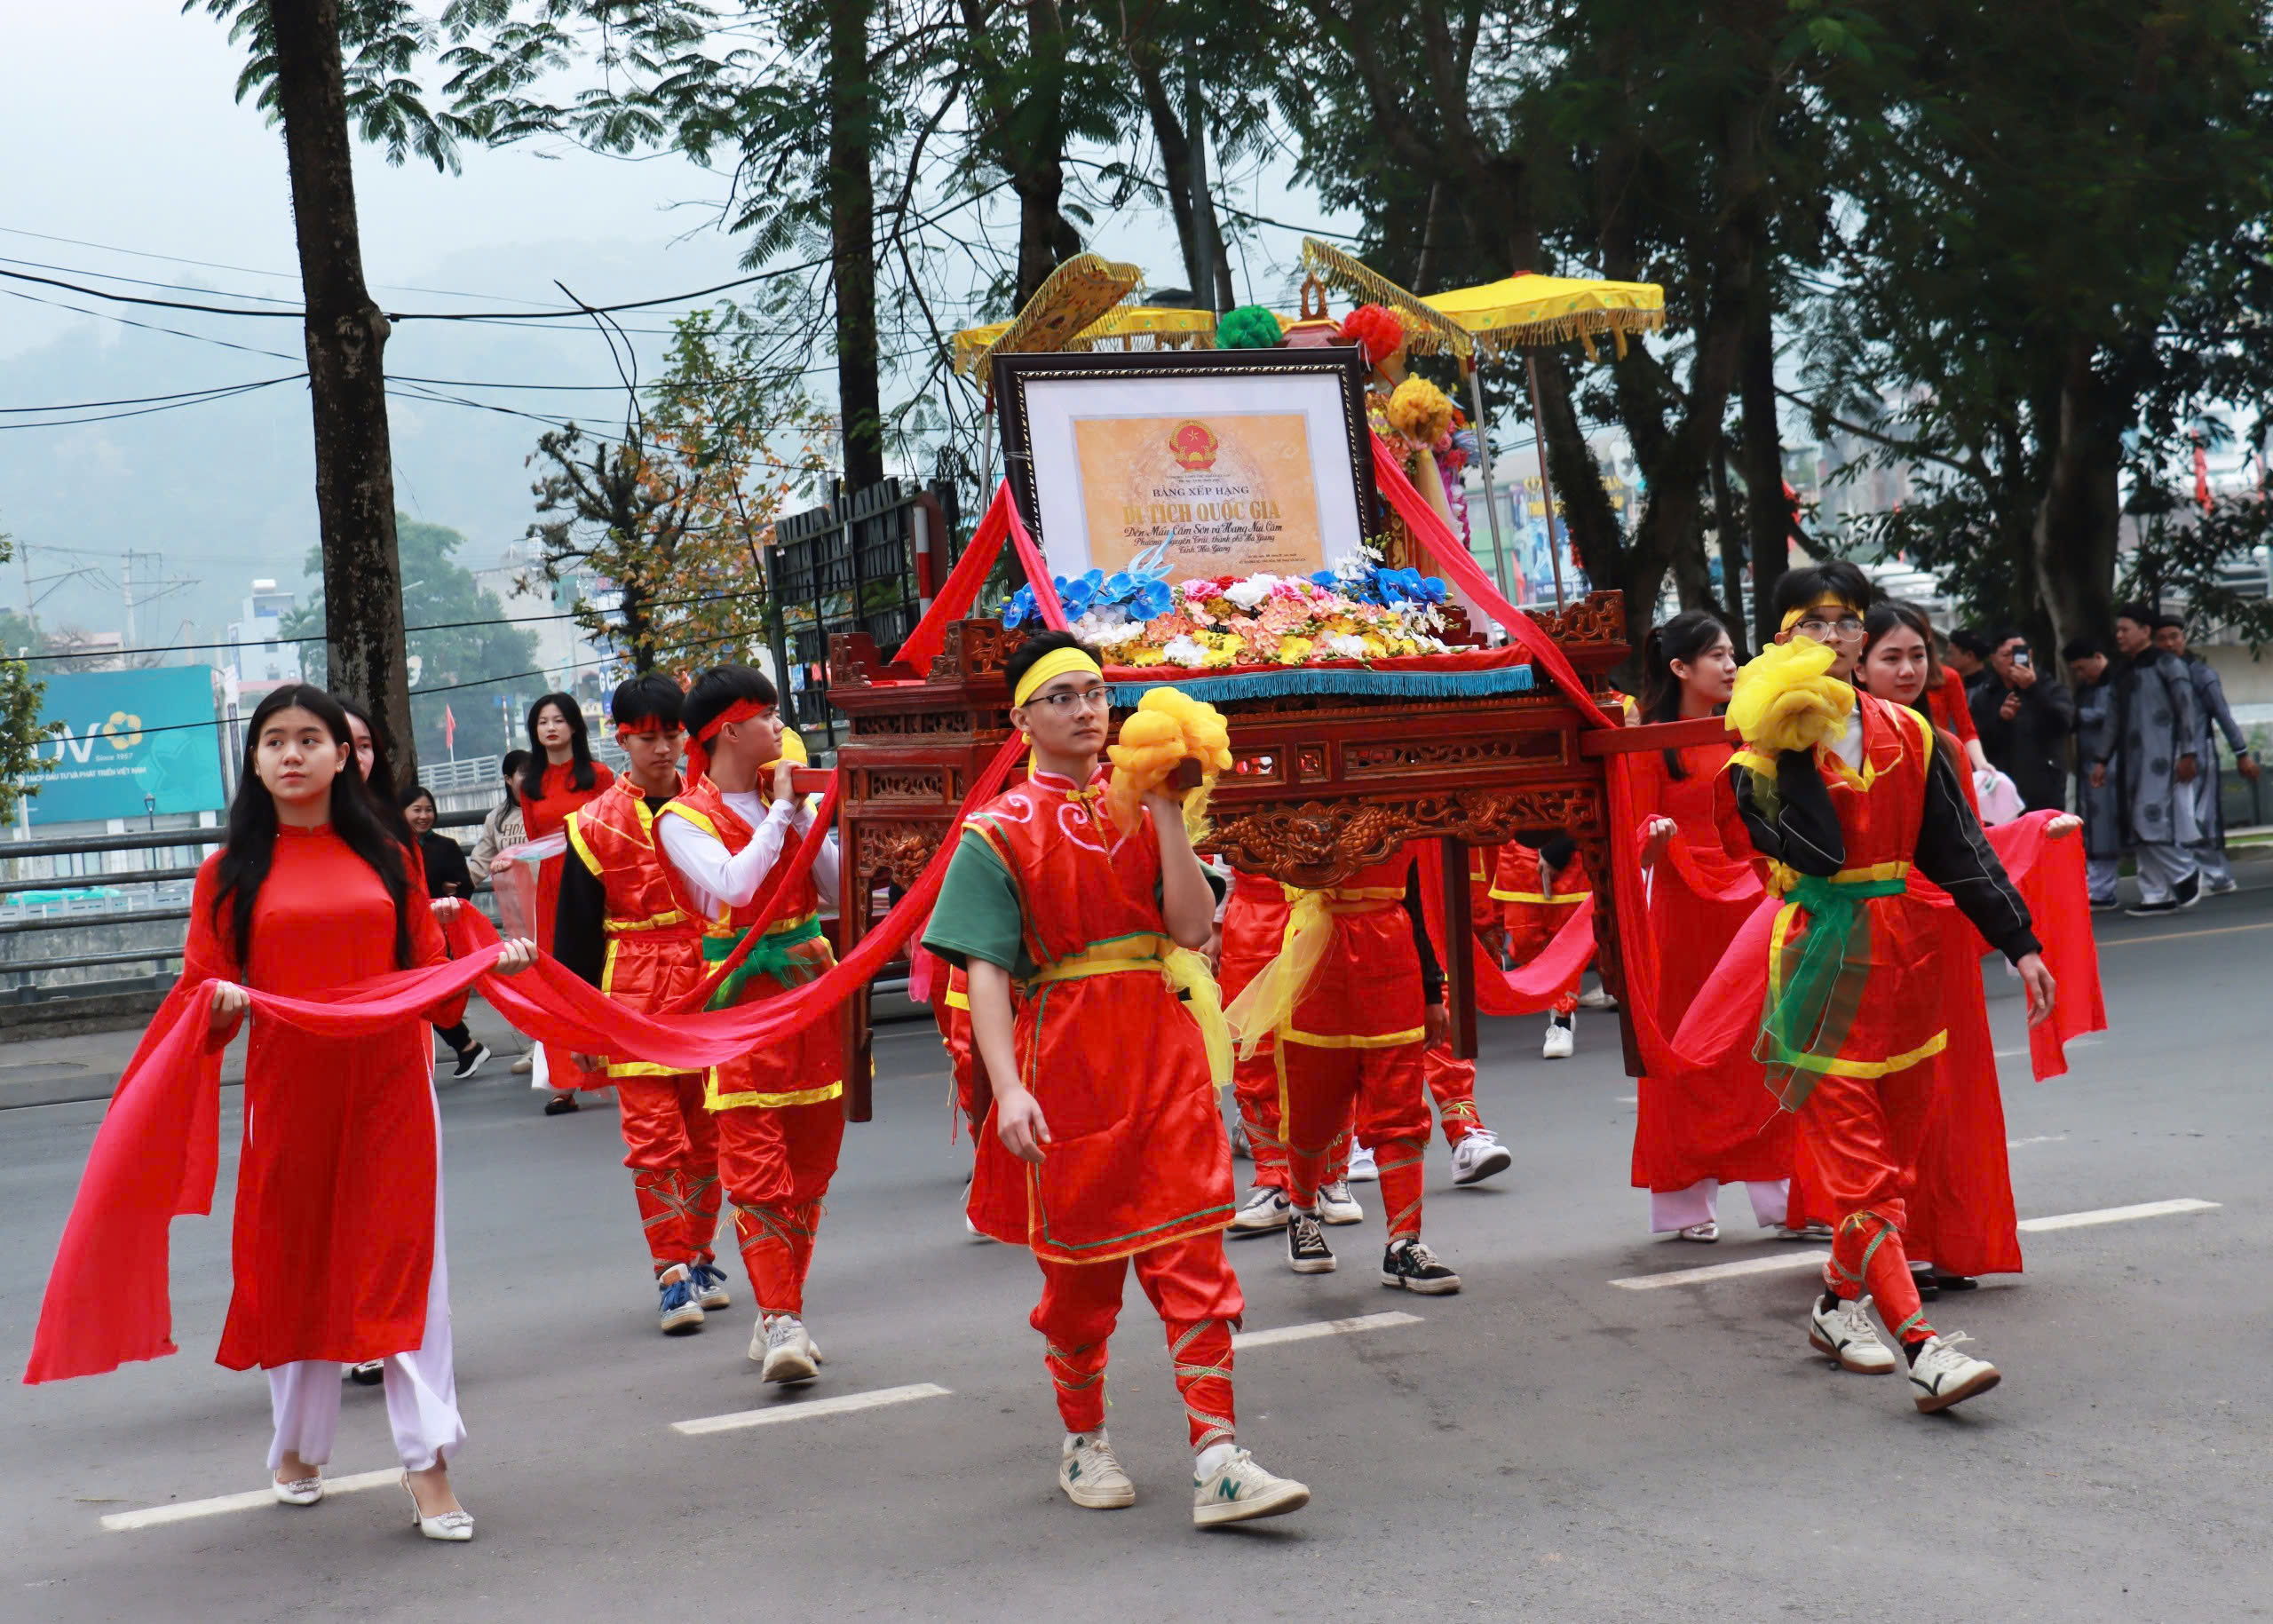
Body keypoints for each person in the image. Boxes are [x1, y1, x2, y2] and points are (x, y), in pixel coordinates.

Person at [922, 631, 1309, 1526]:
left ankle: (1217, 1453)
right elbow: (983, 966)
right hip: (1066, 1057)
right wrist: (1007, 1083)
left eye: (1094, 691)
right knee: (1081, 1272)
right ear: (1021, 720)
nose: (1085, 708)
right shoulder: (996, 831)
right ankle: (1084, 1437)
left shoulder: (1143, 804)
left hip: (1161, 1044)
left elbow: (1186, 924)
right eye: (1059, 695)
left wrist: (1168, 813)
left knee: (1194, 1251)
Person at [188, 685, 537, 1538]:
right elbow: (201, 988)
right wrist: (222, 1005)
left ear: (345, 756)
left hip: (389, 1083)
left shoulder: (390, 852)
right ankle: (299, 1444)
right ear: (256, 758)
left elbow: (425, 969)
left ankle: (428, 1464)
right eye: (275, 740)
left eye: (312, 738)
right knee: (296, 1261)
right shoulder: (230, 869)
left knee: (406, 1265)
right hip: (289, 1088)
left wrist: (488, 960)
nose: (293, 753)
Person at [1721, 562, 2055, 1414]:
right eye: (1811, 625)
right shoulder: (1756, 750)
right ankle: (1923, 1346)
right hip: (1817, 965)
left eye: (1845, 624)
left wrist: (2020, 943)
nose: (1832, 640)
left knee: (1895, 1167)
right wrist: (1790, 740)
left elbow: (1958, 850)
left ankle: (1838, 1305)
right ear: (1782, 640)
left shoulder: (1910, 733)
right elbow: (1821, 854)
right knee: (1864, 1176)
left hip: (1903, 961)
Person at [655, 665, 844, 1385]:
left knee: (811, 1164)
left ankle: (776, 1313)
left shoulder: (781, 802)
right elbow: (733, 886)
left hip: (808, 992)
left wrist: (800, 816)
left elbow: (830, 884)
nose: (778, 726)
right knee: (757, 1165)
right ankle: (787, 1316)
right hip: (738, 1006)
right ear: (728, 729)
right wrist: (781, 811)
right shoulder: (681, 816)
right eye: (766, 715)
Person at [553, 674, 732, 1336]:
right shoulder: (592, 826)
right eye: (646, 737)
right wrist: (576, 1023)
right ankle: (670, 1270)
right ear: (621, 739)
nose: (662, 749)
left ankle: (700, 1253)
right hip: (633, 989)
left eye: (671, 735)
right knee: (655, 1139)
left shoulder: (712, 807)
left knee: (711, 1132)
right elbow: (574, 938)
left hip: (710, 980)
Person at [1223, 852, 1462, 1291]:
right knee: (1313, 1107)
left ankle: (1403, 1244)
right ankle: (1302, 1212)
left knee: (1401, 1107)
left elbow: (1415, 900)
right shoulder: (1291, 796)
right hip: (1316, 956)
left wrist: (1431, 987)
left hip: (1391, 956)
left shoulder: (1394, 802)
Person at [1628, 609, 1794, 1242]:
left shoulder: (1750, 732)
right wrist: (1654, 835)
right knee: (1684, 1047)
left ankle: (1782, 1196)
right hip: (1684, 912)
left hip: (1753, 901)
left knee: (1767, 1044)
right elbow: (1633, 834)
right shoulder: (1648, 741)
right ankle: (1683, 1203)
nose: (1731, 665)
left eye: (1733, 654)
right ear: (1679, 668)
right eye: (1717, 655)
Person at [519, 694, 615, 1113]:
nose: (551, 728)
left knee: (606, 971)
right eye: (543, 722)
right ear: (535, 731)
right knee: (558, 982)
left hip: (596, 881)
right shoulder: (530, 784)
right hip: (552, 888)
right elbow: (533, 840)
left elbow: (617, 829)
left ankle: (623, 1064)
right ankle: (564, 1080)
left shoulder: (599, 775)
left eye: (559, 720)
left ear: (575, 726)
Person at [2154, 614, 2259, 895]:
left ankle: (2218, 876)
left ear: (2184, 639)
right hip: (2162, 762)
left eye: (2174, 636)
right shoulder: (2152, 677)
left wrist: (2242, 753)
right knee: (2173, 820)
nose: (2168, 644)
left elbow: (2223, 716)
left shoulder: (2200, 674)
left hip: (2198, 758)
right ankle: (2190, 877)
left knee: (2199, 818)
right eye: (2161, 638)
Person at [2108, 606, 2202, 915]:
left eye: (2125, 629)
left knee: (2147, 819)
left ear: (2145, 631)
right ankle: (2155, 895)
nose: (2119, 635)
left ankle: (2185, 871)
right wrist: (2100, 758)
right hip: (2131, 761)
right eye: (2118, 630)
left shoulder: (2168, 664)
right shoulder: (2123, 670)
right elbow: (2113, 718)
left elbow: (2187, 708)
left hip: (2164, 756)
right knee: (2138, 827)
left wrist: (2189, 752)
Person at [401, 783, 491, 1080]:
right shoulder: (391, 848)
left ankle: (466, 1046)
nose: (424, 816)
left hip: (436, 933)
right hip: (405, 932)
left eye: (428, 810)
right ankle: (466, 1046)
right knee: (422, 997)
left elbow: (464, 887)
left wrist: (447, 894)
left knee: (427, 996)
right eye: (417, 810)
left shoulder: (446, 847)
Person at [467, 750, 537, 1073]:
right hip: (518, 914)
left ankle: (558, 1049)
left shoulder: (547, 810)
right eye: (521, 773)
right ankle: (540, 1045)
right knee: (529, 980)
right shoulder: (497, 819)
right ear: (508, 779)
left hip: (552, 906)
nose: (528, 777)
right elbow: (478, 863)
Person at [1968, 631, 2076, 812]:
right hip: (2002, 792)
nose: (2013, 660)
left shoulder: (2049, 687)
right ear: (1993, 660)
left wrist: (2033, 689)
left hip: (2045, 789)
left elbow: (2064, 723)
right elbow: (1976, 741)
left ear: (2030, 655)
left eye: (2019, 652)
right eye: (2006, 655)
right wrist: (2000, 720)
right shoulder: (1984, 696)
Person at [2066, 641, 2122, 907]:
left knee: (2105, 826)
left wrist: (2076, 714)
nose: (2080, 674)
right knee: (2096, 825)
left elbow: (2110, 716)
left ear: (2098, 655)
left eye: (2082, 667)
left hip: (2110, 764)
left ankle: (2102, 888)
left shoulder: (2117, 683)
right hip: (2092, 765)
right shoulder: (2087, 688)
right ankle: (2100, 886)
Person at [1944, 628, 1996, 692]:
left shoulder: (1991, 688)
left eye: (1951, 654)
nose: (1947, 659)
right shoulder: (1950, 685)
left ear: (1969, 655)